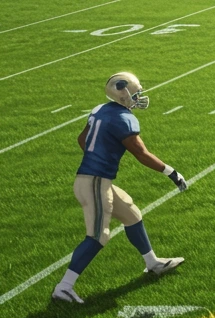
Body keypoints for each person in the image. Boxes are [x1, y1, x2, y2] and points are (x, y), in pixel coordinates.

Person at [53, 72, 186, 304]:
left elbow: (82, 140)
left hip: (93, 180)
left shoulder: (100, 110)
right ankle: (64, 287)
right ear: (123, 94)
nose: (139, 97)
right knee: (98, 236)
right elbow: (141, 153)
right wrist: (171, 172)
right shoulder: (124, 118)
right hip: (95, 182)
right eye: (136, 93)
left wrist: (99, 156)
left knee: (131, 213)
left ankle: (152, 263)